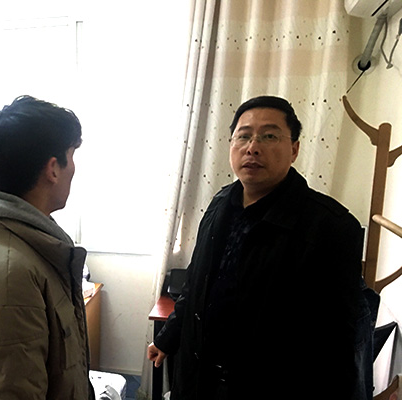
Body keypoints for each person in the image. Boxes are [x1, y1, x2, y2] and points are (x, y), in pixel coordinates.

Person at [147, 95, 377, 399]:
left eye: (269, 136)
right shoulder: (219, 205)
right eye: (243, 136)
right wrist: (167, 338)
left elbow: (338, 342)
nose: (252, 147)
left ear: (294, 149)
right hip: (199, 380)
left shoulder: (331, 227)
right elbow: (196, 286)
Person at [0, 95, 95, 400]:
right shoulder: (7, 273)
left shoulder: (32, 247)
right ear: (53, 168)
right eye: (71, 157)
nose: (74, 169)